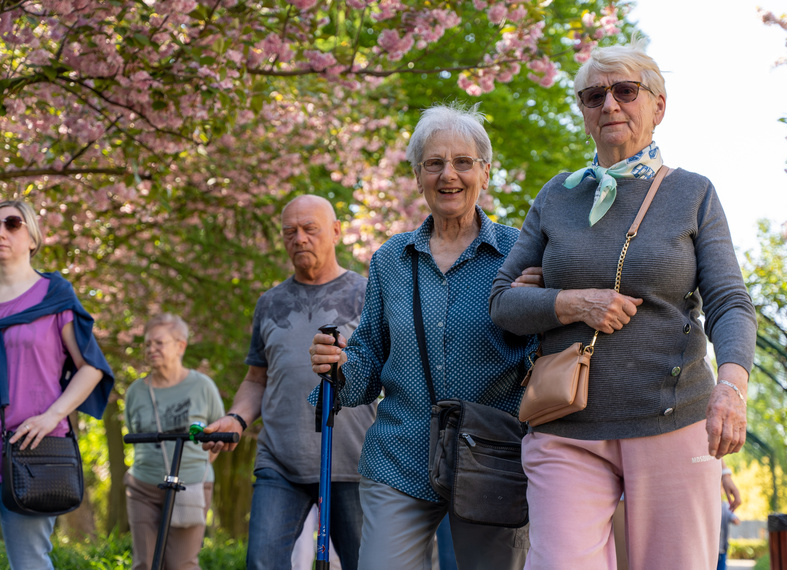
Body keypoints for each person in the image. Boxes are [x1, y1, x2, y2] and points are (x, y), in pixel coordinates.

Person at [489, 38, 757, 570]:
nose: (609, 104)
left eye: (625, 91)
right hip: (565, 425)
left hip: (674, 419)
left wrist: (731, 386)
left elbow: (728, 301)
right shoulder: (555, 197)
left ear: (658, 105)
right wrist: (571, 302)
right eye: (594, 96)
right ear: (585, 114)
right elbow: (502, 305)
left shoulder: (693, 194)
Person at [310, 102, 537, 570]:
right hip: (401, 455)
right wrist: (338, 368)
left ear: (485, 173)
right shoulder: (390, 259)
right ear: (417, 175)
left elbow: (542, 352)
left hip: (492, 457)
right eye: (433, 163)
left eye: (462, 162)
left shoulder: (520, 251)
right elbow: (369, 355)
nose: (448, 175)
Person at [204, 195, 375, 570]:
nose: (299, 238)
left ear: (335, 231)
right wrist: (235, 417)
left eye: (310, 229)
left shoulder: (367, 294)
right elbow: (256, 379)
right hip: (280, 461)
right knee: (262, 562)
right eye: (290, 232)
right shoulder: (270, 302)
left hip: (352, 462)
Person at [0, 199, 114, 568]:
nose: (1, 231)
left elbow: (91, 367)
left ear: (33, 237)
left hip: (32, 447)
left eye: (12, 223)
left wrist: (53, 416)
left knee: (29, 561)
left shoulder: (54, 296)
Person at [124, 313, 225, 570]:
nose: (151, 349)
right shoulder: (136, 391)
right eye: (147, 344)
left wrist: (195, 469)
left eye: (159, 343)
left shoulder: (202, 386)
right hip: (143, 487)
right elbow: (134, 434)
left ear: (180, 345)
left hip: (190, 486)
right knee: (145, 563)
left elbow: (217, 437)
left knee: (181, 564)